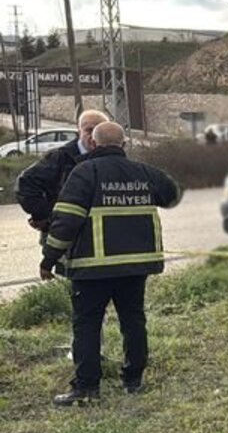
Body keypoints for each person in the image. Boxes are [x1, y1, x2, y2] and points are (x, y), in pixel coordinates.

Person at [39, 122, 183, 406]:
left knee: (87, 325)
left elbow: (66, 221)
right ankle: (133, 380)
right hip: (136, 265)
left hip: (93, 268)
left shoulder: (85, 172)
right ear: (124, 144)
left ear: (93, 144)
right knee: (133, 319)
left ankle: (86, 388)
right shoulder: (144, 172)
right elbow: (171, 194)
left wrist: (49, 258)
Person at [16, 110, 109, 241]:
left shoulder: (112, 159)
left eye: (99, 131)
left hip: (99, 234)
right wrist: (44, 216)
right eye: (89, 130)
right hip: (63, 235)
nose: (94, 136)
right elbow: (26, 182)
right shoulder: (60, 157)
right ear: (79, 131)